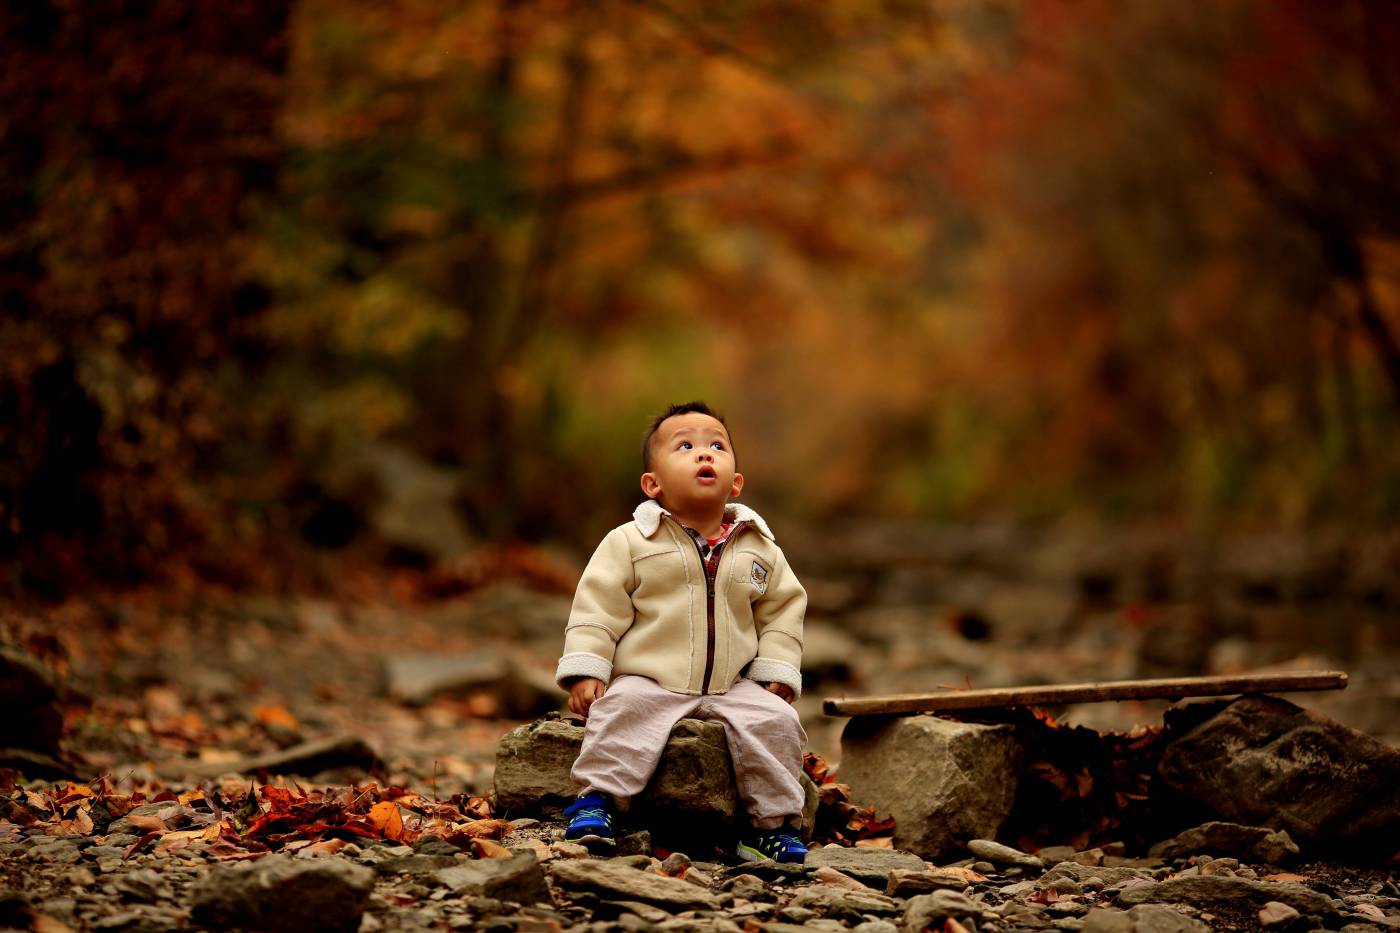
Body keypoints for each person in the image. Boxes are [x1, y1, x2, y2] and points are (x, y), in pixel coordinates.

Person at [554, 401, 809, 863]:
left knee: (777, 723)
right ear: (652, 485)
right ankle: (598, 801)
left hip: (734, 684)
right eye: (685, 446)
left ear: (736, 482)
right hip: (649, 678)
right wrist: (588, 668)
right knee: (619, 711)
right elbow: (597, 606)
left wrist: (775, 671)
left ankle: (770, 827)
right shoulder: (630, 542)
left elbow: (782, 610)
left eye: (716, 446)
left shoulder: (760, 547)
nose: (703, 454)